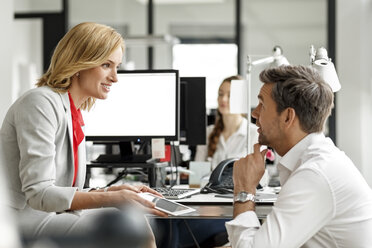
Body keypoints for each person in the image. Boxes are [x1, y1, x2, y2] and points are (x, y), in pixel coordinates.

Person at [0, 22, 166, 245]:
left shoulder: (73, 110)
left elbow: (63, 190)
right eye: (107, 65)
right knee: (125, 227)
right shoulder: (39, 103)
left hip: (53, 214)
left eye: (117, 66)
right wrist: (112, 198)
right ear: (79, 63)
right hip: (25, 219)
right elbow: (39, 194)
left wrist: (112, 190)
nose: (115, 77)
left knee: (137, 221)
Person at [226, 65, 372, 247]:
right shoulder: (314, 160)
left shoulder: (315, 174)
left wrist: (244, 189)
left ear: (287, 117)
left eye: (262, 105)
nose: (254, 114)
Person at [195, 75, 258, 170]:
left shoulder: (254, 133)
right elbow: (197, 175)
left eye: (230, 95)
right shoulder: (207, 132)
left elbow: (257, 174)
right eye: (220, 94)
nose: (223, 99)